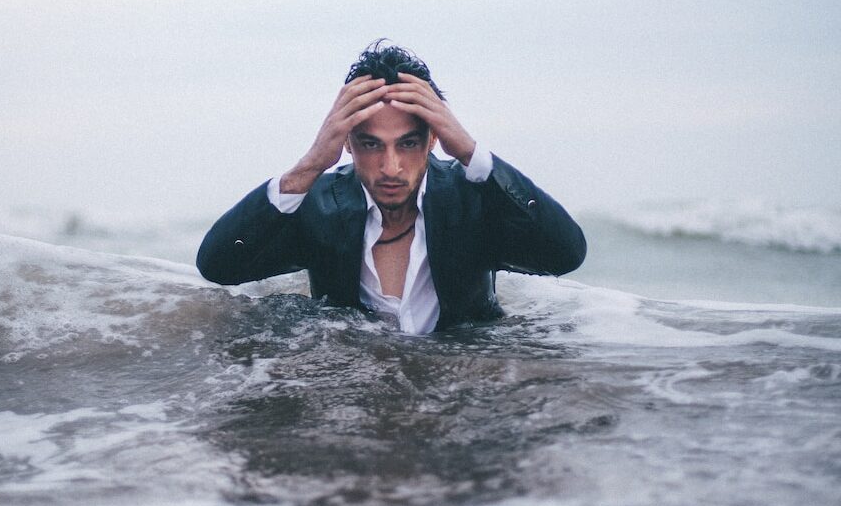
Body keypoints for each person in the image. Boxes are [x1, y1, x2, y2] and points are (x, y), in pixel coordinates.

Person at [197, 41, 586, 334]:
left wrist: (469, 151)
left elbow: (565, 253)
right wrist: (310, 165)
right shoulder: (318, 205)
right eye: (371, 144)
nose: (391, 167)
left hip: (462, 396)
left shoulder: (473, 200)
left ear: (433, 138)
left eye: (407, 142)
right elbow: (219, 266)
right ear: (346, 141)